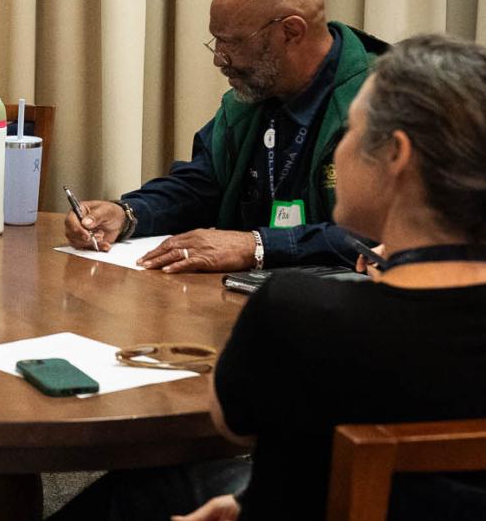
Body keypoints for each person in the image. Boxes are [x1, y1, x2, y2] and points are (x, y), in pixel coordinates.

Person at [178, 35, 486, 520]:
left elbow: (232, 426)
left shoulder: (299, 316)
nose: (338, 151)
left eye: (351, 132)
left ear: (395, 156)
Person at [64, 0, 387, 272]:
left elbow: (389, 230)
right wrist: (128, 214)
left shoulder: (389, 96)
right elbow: (202, 184)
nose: (219, 58)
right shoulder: (252, 98)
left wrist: (258, 246)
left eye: (232, 42)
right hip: (252, 295)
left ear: (291, 32)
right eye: (216, 41)